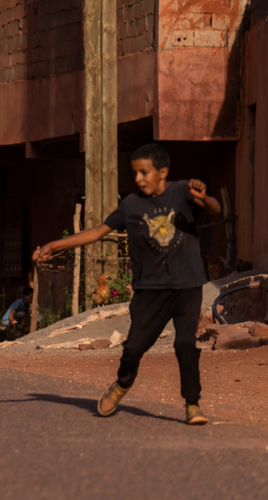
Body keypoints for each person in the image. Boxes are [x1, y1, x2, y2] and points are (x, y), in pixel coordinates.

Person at [33, 143, 219, 425]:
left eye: (144, 173)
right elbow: (97, 232)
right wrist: (54, 245)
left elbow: (214, 208)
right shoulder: (131, 205)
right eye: (135, 174)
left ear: (163, 172)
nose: (139, 179)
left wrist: (204, 198)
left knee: (184, 343)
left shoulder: (183, 191)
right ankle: (123, 383)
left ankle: (192, 404)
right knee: (133, 347)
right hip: (150, 291)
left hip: (186, 286)